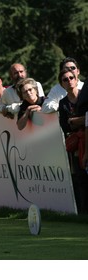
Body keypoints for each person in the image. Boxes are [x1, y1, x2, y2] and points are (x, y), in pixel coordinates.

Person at [58, 70, 88, 213]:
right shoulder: (63, 103)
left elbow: (74, 121)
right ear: (61, 84)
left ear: (77, 80)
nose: (69, 80)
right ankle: (83, 212)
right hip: (76, 144)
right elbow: (65, 125)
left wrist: (75, 120)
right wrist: (82, 121)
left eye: (71, 78)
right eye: (65, 79)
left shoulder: (85, 96)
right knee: (80, 178)